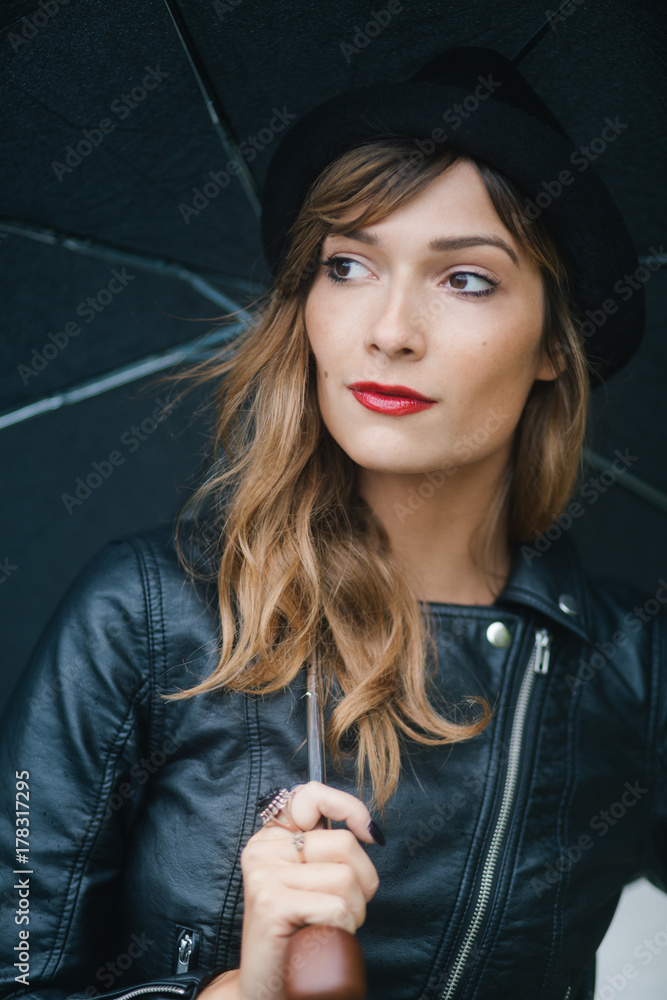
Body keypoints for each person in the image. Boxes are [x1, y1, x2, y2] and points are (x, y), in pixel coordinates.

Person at [0, 45, 664, 1000]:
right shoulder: (143, 617)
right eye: (347, 265)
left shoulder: (634, 670)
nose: (388, 331)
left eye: (465, 279)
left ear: (554, 346)